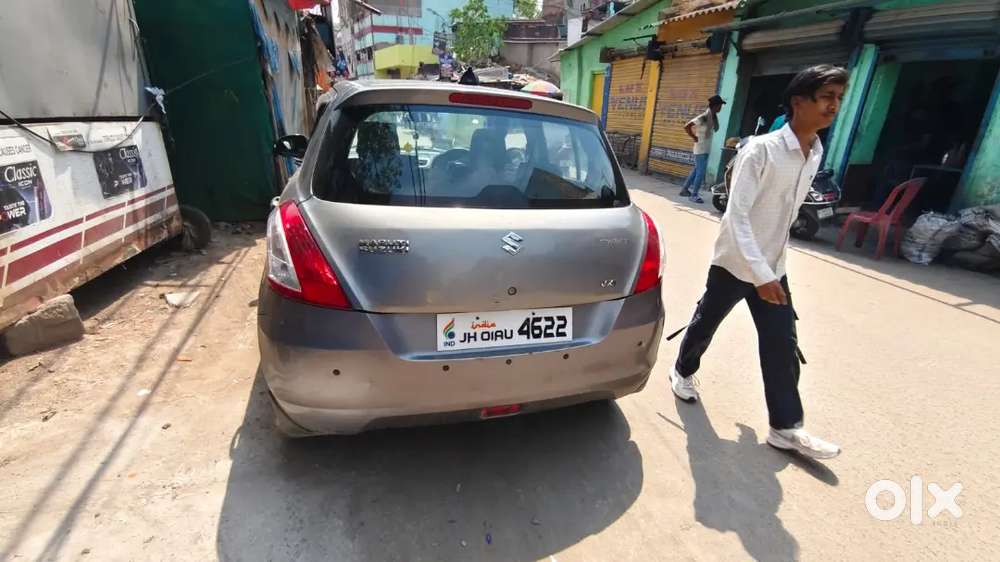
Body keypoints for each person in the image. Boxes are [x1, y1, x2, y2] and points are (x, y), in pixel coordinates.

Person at [669, 65, 849, 460]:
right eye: (827, 97)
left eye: (839, 97)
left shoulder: (814, 152)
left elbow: (783, 216)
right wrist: (761, 274)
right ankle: (682, 370)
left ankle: (785, 428)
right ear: (799, 103)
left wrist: (773, 270)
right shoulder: (761, 151)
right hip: (734, 263)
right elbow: (737, 217)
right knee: (706, 323)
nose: (834, 105)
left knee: (782, 343)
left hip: (773, 267)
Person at [680, 95, 726, 203]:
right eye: (720, 106)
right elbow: (687, 126)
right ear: (715, 106)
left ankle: (684, 190)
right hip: (700, 148)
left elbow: (713, 130)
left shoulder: (713, 117)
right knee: (700, 172)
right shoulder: (704, 117)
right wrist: (694, 137)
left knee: (697, 170)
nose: (721, 108)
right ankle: (694, 195)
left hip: (706, 148)